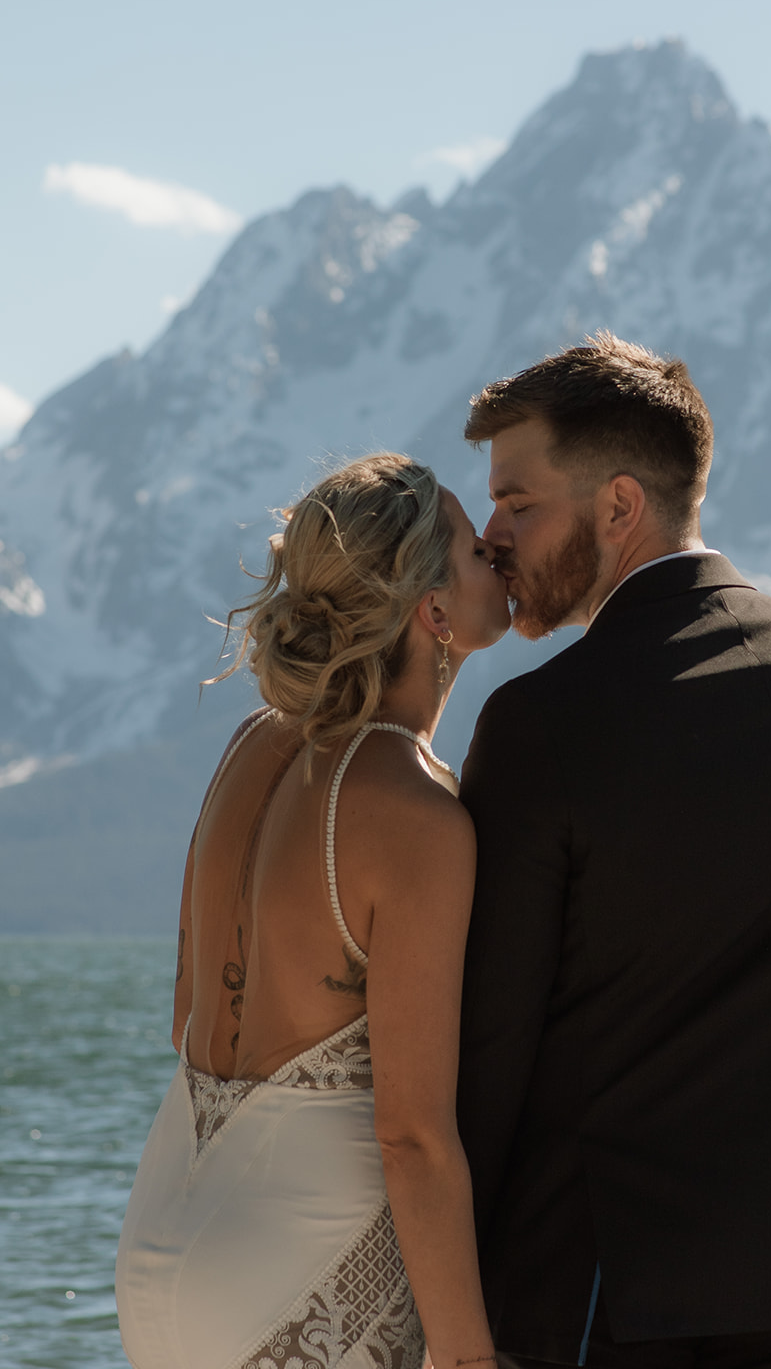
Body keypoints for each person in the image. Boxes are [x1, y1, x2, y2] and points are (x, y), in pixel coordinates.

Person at [456, 334, 771, 1369]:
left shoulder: (543, 723)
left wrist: (459, 1293)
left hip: (608, 1289)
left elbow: (490, 1043)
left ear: (618, 507)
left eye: (518, 501)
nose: (490, 535)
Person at [116, 453, 510, 1369]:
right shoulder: (415, 813)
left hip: (159, 1240)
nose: (496, 550)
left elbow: (188, 1010)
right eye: (469, 547)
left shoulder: (251, 745)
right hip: (292, 1268)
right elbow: (412, 1137)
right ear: (434, 613)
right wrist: (465, 1355)